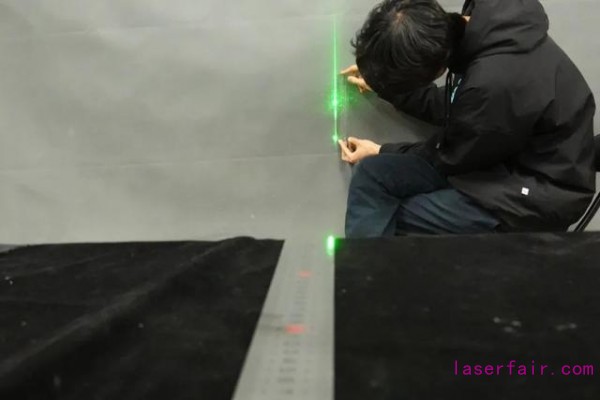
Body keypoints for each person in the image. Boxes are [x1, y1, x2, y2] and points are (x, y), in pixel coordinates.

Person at [338, 0, 596, 238]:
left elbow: (451, 156)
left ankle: (374, 273)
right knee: (372, 175)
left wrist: (383, 150)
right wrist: (385, 84)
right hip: (502, 159)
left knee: (389, 214)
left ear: (438, 69)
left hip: (537, 195)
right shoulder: (482, 21)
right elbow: (459, 106)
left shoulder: (491, 84)